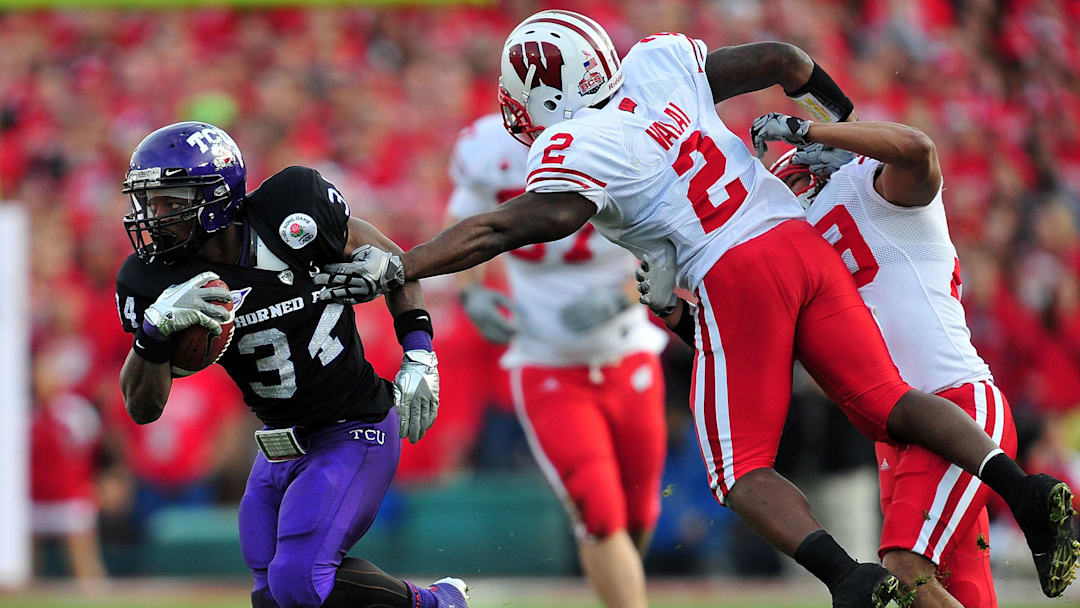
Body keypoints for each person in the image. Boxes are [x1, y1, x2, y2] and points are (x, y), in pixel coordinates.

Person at [313, 10, 1078, 606]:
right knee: (888, 400)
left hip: (734, 271)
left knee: (739, 470)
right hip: (790, 235)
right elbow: (786, 61)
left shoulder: (576, 141)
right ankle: (1024, 485)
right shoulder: (654, 65)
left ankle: (850, 581)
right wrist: (835, 120)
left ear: (547, 92)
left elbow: (521, 222)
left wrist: (404, 265)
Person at [114, 122, 468, 608]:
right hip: (279, 442)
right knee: (270, 596)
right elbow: (141, 407)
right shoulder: (153, 280)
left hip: (354, 427)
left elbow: (391, 261)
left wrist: (419, 348)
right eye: (149, 203)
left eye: (171, 204)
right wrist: (153, 334)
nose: (155, 218)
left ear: (216, 200)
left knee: (298, 580)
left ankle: (437, 604)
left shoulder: (291, 211)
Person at [763, 115, 1076, 605]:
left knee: (905, 572)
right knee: (964, 592)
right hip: (901, 435)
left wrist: (814, 131)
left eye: (794, 184)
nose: (788, 202)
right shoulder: (803, 261)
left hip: (956, 409)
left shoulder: (881, 194)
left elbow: (916, 148)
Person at [445, 113, 668, 608]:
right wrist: (470, 291)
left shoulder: (622, 141)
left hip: (628, 352)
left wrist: (629, 293)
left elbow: (674, 237)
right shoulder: (488, 149)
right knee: (599, 513)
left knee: (639, 512)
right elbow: (462, 222)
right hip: (546, 362)